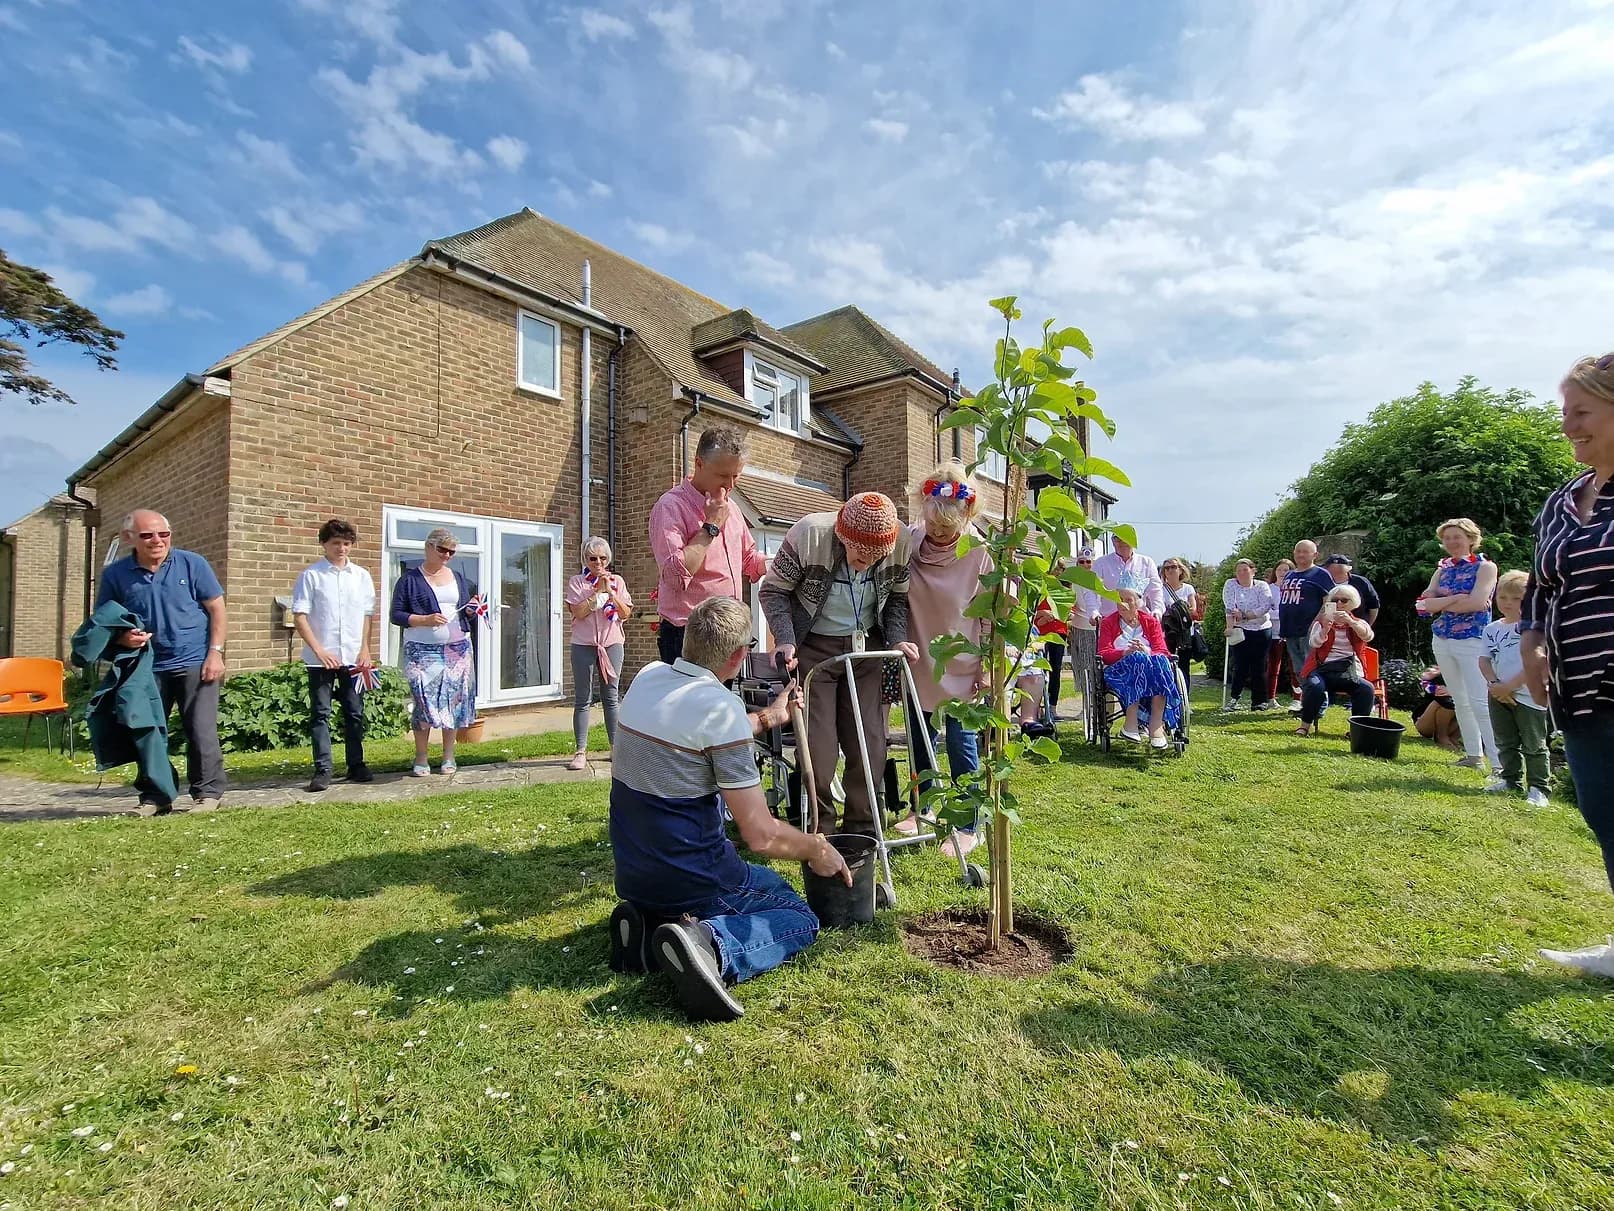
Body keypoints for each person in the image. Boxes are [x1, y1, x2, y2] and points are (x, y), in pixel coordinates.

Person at [607, 597, 851, 1021]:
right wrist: (816, 848)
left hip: (633, 872)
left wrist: (772, 717)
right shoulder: (721, 709)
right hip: (696, 878)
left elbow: (707, 730)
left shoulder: (648, 678)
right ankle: (709, 944)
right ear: (740, 655)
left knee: (672, 890)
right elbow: (760, 834)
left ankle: (647, 931)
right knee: (796, 915)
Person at [1522, 352, 1614, 977]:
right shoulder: (1563, 501)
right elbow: (1539, 591)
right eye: (1563, 412)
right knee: (1605, 812)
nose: (1567, 426)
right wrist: (1531, 643)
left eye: (1581, 412)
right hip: (1578, 687)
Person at [760, 492, 917, 837]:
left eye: (877, 559)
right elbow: (772, 592)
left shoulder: (902, 541)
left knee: (870, 741)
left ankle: (863, 828)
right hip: (815, 648)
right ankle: (822, 829)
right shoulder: (809, 535)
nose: (866, 565)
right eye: (860, 557)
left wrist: (896, 639)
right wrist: (785, 638)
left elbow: (897, 599)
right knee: (818, 746)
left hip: (867, 650)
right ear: (843, 538)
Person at [94, 509, 228, 813]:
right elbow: (104, 621)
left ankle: (208, 794)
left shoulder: (192, 564)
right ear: (130, 538)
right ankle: (156, 797)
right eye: (147, 535)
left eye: (163, 534)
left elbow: (217, 609)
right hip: (146, 666)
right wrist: (122, 638)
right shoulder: (116, 575)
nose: (157, 541)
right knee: (148, 732)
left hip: (195, 660)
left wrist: (215, 653)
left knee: (201, 729)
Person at [900, 462, 990, 858]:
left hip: (962, 663)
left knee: (960, 743)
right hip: (919, 657)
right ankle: (923, 808)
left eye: (945, 529)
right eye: (932, 525)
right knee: (919, 738)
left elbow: (993, 614)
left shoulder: (980, 554)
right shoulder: (911, 543)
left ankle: (970, 824)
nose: (936, 534)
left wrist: (989, 666)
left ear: (965, 516)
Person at [648, 426, 769, 664]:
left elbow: (749, 561)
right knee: (692, 702)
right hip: (689, 634)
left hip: (728, 632)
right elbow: (675, 577)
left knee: (721, 701)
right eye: (724, 476)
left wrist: (787, 562)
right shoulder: (670, 507)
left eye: (737, 475)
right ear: (699, 463)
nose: (731, 485)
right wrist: (711, 525)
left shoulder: (732, 508)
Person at [290, 518, 376, 792]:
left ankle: (356, 764)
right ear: (324, 544)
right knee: (321, 713)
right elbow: (300, 616)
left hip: (353, 655)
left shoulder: (361, 576)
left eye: (347, 544)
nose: (342, 548)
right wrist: (319, 650)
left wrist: (365, 648)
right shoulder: (311, 576)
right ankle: (323, 768)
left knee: (354, 711)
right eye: (336, 543)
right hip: (321, 658)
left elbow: (367, 615)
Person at [388, 527, 480, 778]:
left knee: (452, 701)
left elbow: (461, 610)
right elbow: (396, 615)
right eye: (442, 549)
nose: (447, 555)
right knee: (423, 701)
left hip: (457, 648)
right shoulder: (410, 579)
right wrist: (424, 619)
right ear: (428, 548)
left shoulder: (458, 577)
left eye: (451, 551)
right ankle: (421, 756)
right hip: (421, 650)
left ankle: (448, 756)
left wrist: (470, 611)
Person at [1418, 518, 1499, 772]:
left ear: (1470, 539)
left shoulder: (1485, 567)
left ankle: (1498, 763)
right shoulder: (1442, 569)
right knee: (1460, 700)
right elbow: (1422, 606)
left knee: (1479, 701)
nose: (1452, 542)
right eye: (1447, 537)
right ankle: (1474, 756)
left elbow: (1477, 603)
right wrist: (1456, 598)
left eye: (1457, 536)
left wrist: (1441, 602)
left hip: (1472, 639)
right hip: (1443, 638)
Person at [1479, 570, 1550, 807]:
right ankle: (1510, 780)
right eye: (1502, 597)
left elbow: (1535, 662)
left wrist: (1510, 686)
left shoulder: (1535, 629)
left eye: (1516, 599)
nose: (1507, 603)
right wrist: (1494, 684)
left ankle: (1539, 788)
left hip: (1528, 696)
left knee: (1533, 744)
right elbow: (1485, 659)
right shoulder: (1492, 629)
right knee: (1505, 740)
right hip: (1497, 693)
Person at [564, 538, 633, 772]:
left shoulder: (618, 581)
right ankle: (580, 751)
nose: (598, 562)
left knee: (610, 697)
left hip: (612, 644)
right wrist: (596, 592)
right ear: (585, 559)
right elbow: (578, 612)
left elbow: (625, 614)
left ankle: (616, 748)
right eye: (593, 558)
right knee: (583, 699)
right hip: (583, 645)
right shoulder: (577, 582)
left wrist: (611, 594)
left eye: (603, 558)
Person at [1097, 581, 1182, 749]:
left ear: (1139, 602)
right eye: (1119, 599)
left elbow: (1162, 651)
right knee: (1136, 658)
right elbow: (1103, 654)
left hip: (1151, 671)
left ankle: (1155, 725)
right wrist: (1124, 653)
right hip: (1119, 671)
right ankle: (1131, 722)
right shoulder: (1108, 622)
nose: (1123, 603)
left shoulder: (1150, 622)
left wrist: (1146, 650)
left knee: (1160, 661)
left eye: (1129, 599)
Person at [1294, 583, 1376, 736]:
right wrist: (1325, 629)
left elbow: (1367, 636)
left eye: (1344, 600)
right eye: (1335, 600)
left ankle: (1356, 730)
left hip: (1347, 671)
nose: (1338, 604)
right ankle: (1305, 725)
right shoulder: (1322, 622)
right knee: (1314, 686)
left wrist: (1351, 622)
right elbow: (1314, 643)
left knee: (1366, 689)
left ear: (1352, 603)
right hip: (1322, 668)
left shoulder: (1359, 623)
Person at [1277, 540, 1336, 713]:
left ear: (1315, 555)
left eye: (1305, 551)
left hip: (1309, 631)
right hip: (1290, 630)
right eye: (1298, 551)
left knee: (1311, 670)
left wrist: (1323, 625)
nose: (1301, 555)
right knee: (1299, 671)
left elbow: (1331, 602)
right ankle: (1308, 703)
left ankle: (1318, 706)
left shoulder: (1321, 574)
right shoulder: (1290, 575)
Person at [1221, 558, 1273, 711]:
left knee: (1259, 666)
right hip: (1240, 631)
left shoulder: (1262, 586)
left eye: (1245, 570)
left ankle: (1259, 701)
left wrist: (1245, 615)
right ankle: (1234, 698)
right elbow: (1230, 607)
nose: (1242, 573)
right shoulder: (1230, 585)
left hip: (1261, 629)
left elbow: (1265, 606)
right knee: (1240, 666)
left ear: (1253, 571)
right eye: (1239, 571)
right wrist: (1229, 627)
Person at [1067, 546, 1103, 712]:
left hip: (1094, 628)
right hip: (1077, 627)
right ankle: (1086, 706)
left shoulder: (1098, 580)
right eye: (1082, 562)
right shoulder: (1072, 581)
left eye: (1089, 562)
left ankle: (1095, 706)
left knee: (1093, 668)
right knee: (1080, 668)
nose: (1085, 565)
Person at [1093, 536, 1164, 617]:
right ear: (1112, 542)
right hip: (1110, 621)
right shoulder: (1101, 563)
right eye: (1117, 539)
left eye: (1126, 538)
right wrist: (1093, 611)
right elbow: (1092, 591)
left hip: (1140, 620)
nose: (1122, 542)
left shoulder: (1147, 562)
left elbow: (1155, 590)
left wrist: (1157, 610)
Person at [1160, 557, 1200, 685]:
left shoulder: (1188, 589)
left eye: (1174, 567)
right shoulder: (1160, 589)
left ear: (1180, 570)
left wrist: (1176, 611)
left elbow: (1193, 609)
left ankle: (1185, 700)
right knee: (1166, 667)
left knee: (1183, 668)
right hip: (1167, 632)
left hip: (1184, 633)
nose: (1170, 570)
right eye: (1167, 568)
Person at [1264, 558, 1297, 707]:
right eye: (1280, 570)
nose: (1283, 573)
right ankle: (1271, 698)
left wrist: (1281, 612)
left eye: (1286, 570)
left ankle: (1297, 698)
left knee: (1295, 667)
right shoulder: (1268, 589)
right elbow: (1266, 611)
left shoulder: (1295, 588)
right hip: (1274, 633)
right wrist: (1282, 613)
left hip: (1292, 632)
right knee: (1273, 667)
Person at [1321, 554, 1381, 626]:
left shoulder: (1361, 582)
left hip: (1356, 627)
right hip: (1328, 628)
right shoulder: (1321, 582)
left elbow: (1373, 605)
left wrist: (1367, 626)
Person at [1412, 668, 1463, 749]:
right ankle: (1442, 736)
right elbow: (1427, 684)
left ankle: (1454, 738)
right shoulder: (1438, 675)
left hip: (1451, 725)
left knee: (1472, 706)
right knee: (1446, 702)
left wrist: (1455, 692)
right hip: (1426, 722)